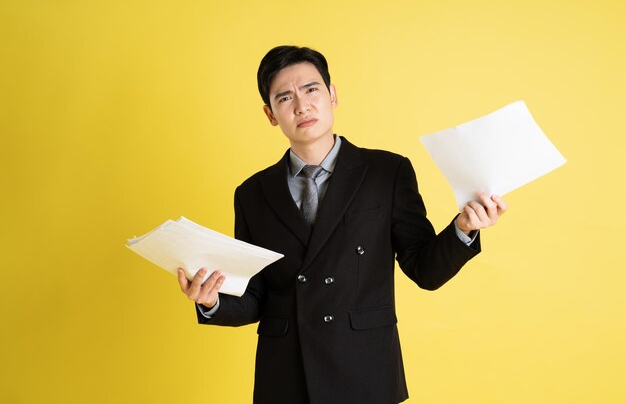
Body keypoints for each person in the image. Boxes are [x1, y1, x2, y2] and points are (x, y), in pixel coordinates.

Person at [178, 45, 507, 404]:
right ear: (270, 114)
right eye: (284, 97)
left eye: (311, 89)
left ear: (333, 95)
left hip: (365, 372)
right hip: (286, 378)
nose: (301, 106)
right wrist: (211, 302)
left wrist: (463, 230)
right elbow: (255, 297)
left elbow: (424, 269)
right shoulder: (252, 193)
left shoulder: (387, 172)